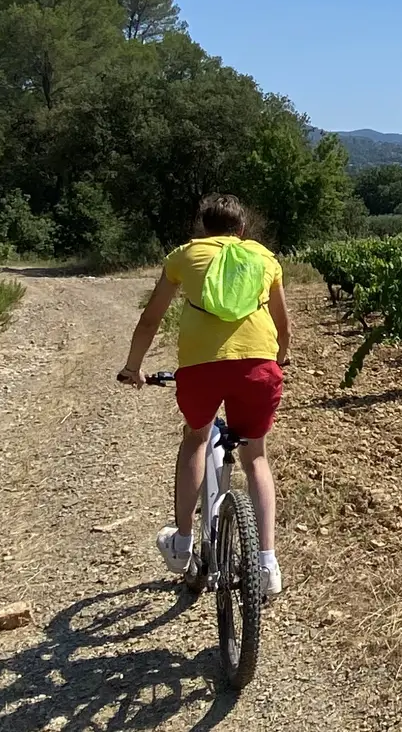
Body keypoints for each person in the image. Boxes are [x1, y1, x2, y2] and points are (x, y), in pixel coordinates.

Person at [119, 193, 288, 596]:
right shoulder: (265, 258)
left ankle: (180, 542)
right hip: (257, 366)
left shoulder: (185, 256)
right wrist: (276, 361)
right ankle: (267, 563)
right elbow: (285, 330)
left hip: (200, 368)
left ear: (203, 228)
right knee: (256, 455)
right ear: (242, 230)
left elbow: (149, 319)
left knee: (196, 438)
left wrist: (133, 368)